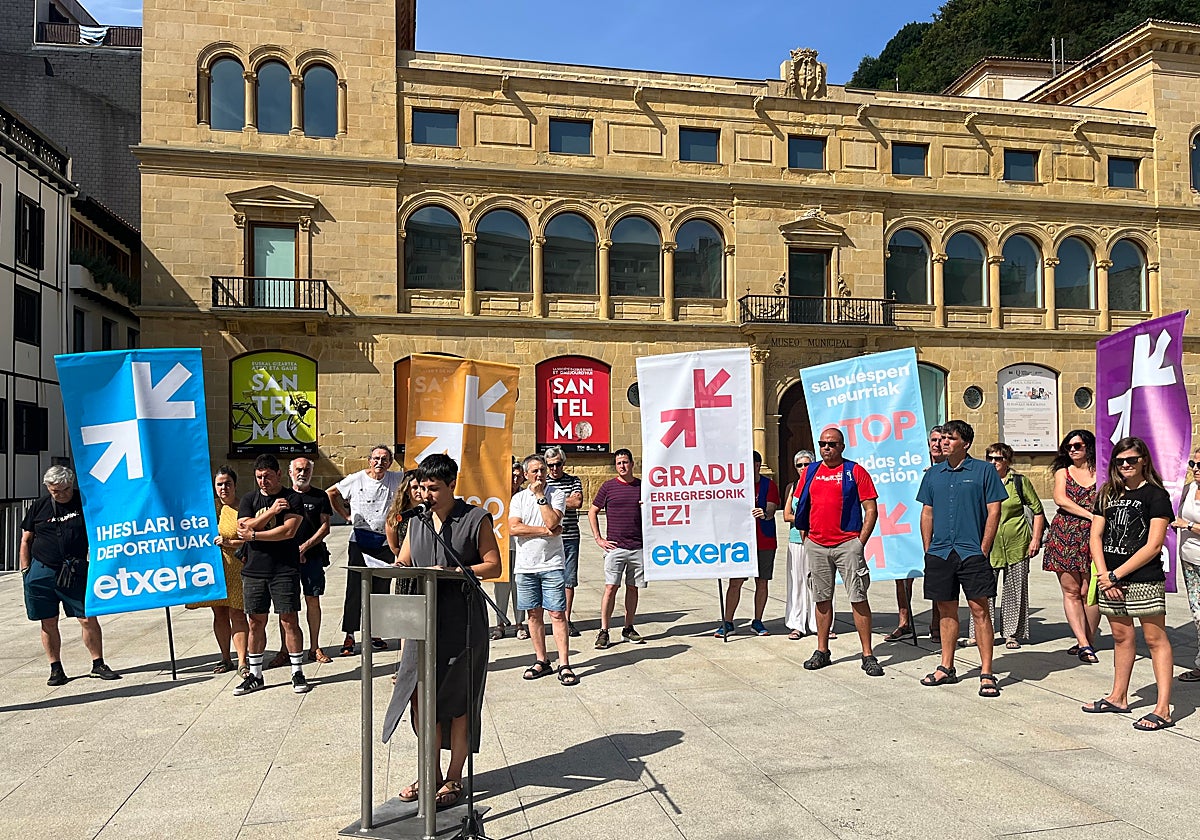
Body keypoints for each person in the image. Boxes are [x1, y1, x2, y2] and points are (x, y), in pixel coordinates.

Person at [385, 454, 502, 809]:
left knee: (459, 705)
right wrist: (397, 566)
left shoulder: (475, 518)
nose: (425, 495)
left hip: (462, 623)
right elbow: (404, 558)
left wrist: (452, 569)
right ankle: (430, 773)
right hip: (422, 621)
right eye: (422, 488)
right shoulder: (418, 521)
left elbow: (493, 564)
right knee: (423, 705)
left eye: (433, 488)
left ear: (452, 484)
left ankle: (453, 777)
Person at [1085, 436, 1175, 730]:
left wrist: (1116, 574)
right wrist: (1103, 574)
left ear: (1144, 461)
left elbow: (1153, 545)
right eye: (1120, 460)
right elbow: (1095, 536)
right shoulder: (1107, 493)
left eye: (1132, 460)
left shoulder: (1156, 495)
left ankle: (1162, 708)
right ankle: (1118, 696)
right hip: (1109, 578)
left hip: (1143, 578)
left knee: (1154, 639)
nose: (1125, 465)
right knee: (1122, 638)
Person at [915, 419, 1008, 697]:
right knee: (946, 609)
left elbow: (994, 511)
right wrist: (928, 548)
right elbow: (927, 512)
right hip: (941, 552)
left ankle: (987, 671)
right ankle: (947, 666)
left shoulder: (983, 471)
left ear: (965, 444)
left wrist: (984, 547)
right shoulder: (933, 474)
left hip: (972, 553)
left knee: (980, 610)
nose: (943, 442)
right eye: (942, 437)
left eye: (950, 438)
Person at [793, 428, 884, 676]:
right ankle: (822, 650)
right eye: (822, 443)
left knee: (858, 597)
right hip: (817, 545)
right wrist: (806, 537)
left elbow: (871, 509)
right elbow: (799, 504)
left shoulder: (855, 471)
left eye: (832, 444)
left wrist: (859, 542)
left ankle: (867, 654)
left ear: (842, 446)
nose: (826, 448)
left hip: (847, 544)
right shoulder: (811, 471)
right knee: (821, 599)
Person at [19, 466, 120, 685]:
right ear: (48, 488)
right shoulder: (40, 506)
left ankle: (98, 663)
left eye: (64, 489)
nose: (60, 494)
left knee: (87, 617)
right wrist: (25, 571)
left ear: (71, 483)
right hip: (42, 571)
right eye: (55, 491)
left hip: (75, 569)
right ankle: (55, 668)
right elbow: (26, 539)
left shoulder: (85, 501)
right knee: (48, 622)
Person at [234, 455, 310, 695]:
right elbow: (244, 527)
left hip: (283, 569)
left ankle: (297, 671)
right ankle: (255, 675)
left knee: (289, 619)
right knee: (255, 622)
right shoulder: (249, 499)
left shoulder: (293, 498)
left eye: (267, 476)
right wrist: (270, 513)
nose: (263, 481)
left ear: (279, 474)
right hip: (254, 571)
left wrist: (255, 536)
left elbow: (287, 531)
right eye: (258, 477)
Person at [962, 443, 1046, 649]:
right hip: (987, 545)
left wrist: (1035, 539)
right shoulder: (980, 481)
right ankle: (978, 634)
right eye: (989, 458)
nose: (993, 462)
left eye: (998, 459)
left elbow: (1038, 510)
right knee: (981, 590)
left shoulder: (1018, 482)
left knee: (1015, 590)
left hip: (1017, 543)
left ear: (1007, 460)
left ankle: (1011, 634)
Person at [328, 444, 403, 656]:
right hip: (359, 541)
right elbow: (331, 493)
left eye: (385, 459)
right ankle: (350, 635)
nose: (380, 463)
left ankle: (376, 633)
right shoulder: (356, 479)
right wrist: (345, 516)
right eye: (376, 458)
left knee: (381, 588)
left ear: (390, 463)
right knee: (355, 588)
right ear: (369, 460)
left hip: (385, 541)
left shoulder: (396, 478)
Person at [510, 454, 576, 685]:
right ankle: (542, 660)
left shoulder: (556, 494)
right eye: (535, 471)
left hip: (551, 564)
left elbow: (552, 521)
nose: (539, 475)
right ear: (526, 474)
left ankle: (565, 663)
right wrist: (545, 532)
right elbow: (514, 528)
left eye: (542, 470)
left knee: (557, 614)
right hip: (526, 566)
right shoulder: (518, 498)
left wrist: (540, 497)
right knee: (533, 614)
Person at [1042, 430, 1101, 663]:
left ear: (1089, 447)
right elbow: (1061, 499)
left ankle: (1088, 639)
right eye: (1069, 446)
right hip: (1065, 533)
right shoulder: (1063, 472)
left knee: (1090, 591)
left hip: (1093, 536)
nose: (1073, 450)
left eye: (1078, 445)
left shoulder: (1103, 471)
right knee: (1071, 591)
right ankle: (1083, 643)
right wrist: (1090, 515)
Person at [186, 466, 248, 675]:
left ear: (235, 485)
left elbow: (252, 539)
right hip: (214, 569)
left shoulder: (243, 507)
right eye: (219, 484)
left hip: (236, 567)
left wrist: (230, 542)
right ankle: (225, 657)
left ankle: (242, 660)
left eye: (227, 483)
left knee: (237, 613)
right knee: (219, 613)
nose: (224, 488)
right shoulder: (207, 510)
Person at [887, 424, 946, 642]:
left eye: (941, 440)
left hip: (936, 527)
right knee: (903, 576)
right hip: (906, 524)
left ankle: (936, 621)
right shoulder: (913, 463)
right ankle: (904, 622)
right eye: (934, 440)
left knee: (936, 576)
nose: (937, 444)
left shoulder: (951, 466)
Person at [588, 448, 646, 649]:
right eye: (619, 463)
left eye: (625, 462)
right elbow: (592, 511)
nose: (622, 466)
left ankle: (628, 628)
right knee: (611, 588)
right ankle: (604, 631)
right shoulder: (608, 487)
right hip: (615, 547)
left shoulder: (642, 486)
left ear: (632, 463)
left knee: (633, 588)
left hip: (638, 547)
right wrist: (599, 538)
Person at [716, 451, 779, 637]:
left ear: (758, 465)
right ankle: (727, 621)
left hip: (764, 541)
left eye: (751, 464)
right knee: (735, 582)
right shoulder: (735, 486)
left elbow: (772, 507)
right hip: (740, 543)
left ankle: (758, 621)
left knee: (762, 582)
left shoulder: (769, 485)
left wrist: (765, 512)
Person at [290, 457, 333, 664]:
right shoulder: (284, 497)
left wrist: (305, 547)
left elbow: (325, 527)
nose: (302, 473)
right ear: (290, 472)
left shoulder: (320, 496)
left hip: (313, 557)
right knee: (287, 606)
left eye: (306, 469)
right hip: (286, 559)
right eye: (298, 469)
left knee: (312, 600)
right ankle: (286, 649)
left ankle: (315, 647)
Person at [544, 446, 584, 636]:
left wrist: (552, 502)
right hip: (550, 538)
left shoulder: (573, 480)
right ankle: (553, 617)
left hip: (570, 537)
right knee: (549, 579)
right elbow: (539, 506)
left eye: (558, 464)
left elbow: (577, 502)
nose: (554, 469)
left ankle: (566, 619)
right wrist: (562, 500)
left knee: (569, 580)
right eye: (550, 465)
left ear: (564, 463)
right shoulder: (543, 483)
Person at [490, 458, 528, 640]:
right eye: (512, 476)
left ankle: (520, 623)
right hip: (501, 546)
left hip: (521, 546)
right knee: (501, 587)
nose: (515, 480)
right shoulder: (498, 497)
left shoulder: (525, 496)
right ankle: (500, 623)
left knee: (519, 585)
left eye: (519, 477)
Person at [783, 450, 818, 639]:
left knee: (819, 583)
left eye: (806, 464)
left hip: (817, 539)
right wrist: (808, 519)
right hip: (797, 540)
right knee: (796, 582)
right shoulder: (792, 487)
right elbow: (786, 516)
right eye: (799, 465)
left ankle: (819, 623)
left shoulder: (819, 483)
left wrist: (804, 520)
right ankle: (796, 624)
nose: (803, 468)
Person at [1173, 447, 1200, 682]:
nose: (1196, 469)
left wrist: (1187, 526)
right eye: (1193, 464)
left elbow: (1182, 522)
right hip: (1190, 560)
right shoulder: (1188, 489)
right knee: (1197, 612)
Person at [386, 469, 423, 594]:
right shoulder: (396, 516)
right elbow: (394, 546)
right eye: (415, 487)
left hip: (426, 567)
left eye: (421, 487)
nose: (419, 491)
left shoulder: (433, 513)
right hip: (406, 569)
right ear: (407, 490)